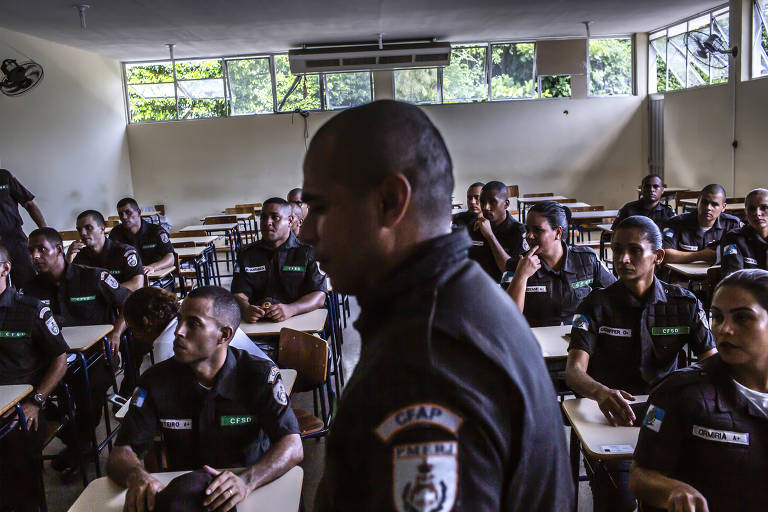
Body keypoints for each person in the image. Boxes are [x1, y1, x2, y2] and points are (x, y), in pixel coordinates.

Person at [302, 100, 573, 511]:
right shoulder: (453, 301)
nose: (304, 231)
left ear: (390, 202)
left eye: (320, 207)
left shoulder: (427, 358)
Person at [566, 215, 716, 512]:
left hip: (667, 415)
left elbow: (713, 364)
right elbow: (574, 372)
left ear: (658, 257)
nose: (622, 259)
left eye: (634, 250)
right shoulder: (595, 305)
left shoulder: (683, 304)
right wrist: (600, 392)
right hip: (610, 418)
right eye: (616, 249)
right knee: (619, 499)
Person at [107, 286, 302, 512]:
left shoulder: (258, 375)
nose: (178, 331)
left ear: (224, 335)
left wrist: (247, 481)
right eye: (180, 320)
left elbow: (293, 444)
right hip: (187, 495)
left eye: (193, 324)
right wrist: (137, 476)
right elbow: (122, 452)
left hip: (249, 488)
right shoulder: (154, 382)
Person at [631, 269, 768, 512]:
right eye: (717, 317)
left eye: (742, 318)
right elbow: (640, 476)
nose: (724, 329)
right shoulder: (678, 391)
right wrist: (671, 489)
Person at [23, 227, 132, 471]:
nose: (35, 256)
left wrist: (116, 332)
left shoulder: (94, 277)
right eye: (31, 251)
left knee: (86, 391)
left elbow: (129, 303)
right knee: (29, 398)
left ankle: (80, 449)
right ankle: (78, 444)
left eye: (42, 249)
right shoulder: (29, 290)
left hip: (95, 356)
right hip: (54, 360)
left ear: (59, 250)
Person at [0, 244, 68, 511]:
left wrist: (37, 401)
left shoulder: (30, 309)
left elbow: (59, 360)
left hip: (22, 403)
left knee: (16, 464)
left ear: (5, 268)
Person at [505, 200, 615, 327]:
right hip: (535, 339)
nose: (529, 236)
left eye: (537, 230)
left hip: (577, 338)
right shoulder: (516, 264)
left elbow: (616, 295)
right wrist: (521, 276)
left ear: (558, 232)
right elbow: (508, 317)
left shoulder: (586, 260)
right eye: (527, 229)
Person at [231, 198, 326, 324]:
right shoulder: (247, 254)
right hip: (258, 324)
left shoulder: (308, 252)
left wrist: (291, 309)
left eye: (275, 217)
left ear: (290, 221)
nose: (267, 222)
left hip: (299, 321)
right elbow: (238, 293)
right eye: (263, 218)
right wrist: (245, 308)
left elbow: (319, 294)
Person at [123, 286, 271, 364]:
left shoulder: (168, 343)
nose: (134, 336)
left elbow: (170, 396)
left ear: (144, 325)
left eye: (132, 328)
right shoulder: (187, 309)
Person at [661, 184, 742, 264]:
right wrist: (700, 255)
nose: (708, 208)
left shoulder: (732, 224)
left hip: (717, 275)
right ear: (698, 202)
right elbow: (664, 254)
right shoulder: (675, 223)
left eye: (714, 204)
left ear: (723, 207)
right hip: (683, 276)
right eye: (704, 202)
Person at [68, 210, 145, 291]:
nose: (82, 233)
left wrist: (103, 294)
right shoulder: (80, 255)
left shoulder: (125, 252)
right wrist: (68, 258)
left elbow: (137, 284)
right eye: (79, 229)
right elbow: (71, 285)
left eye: (88, 228)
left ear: (102, 228)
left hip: (123, 301)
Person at [468, 180, 526, 283]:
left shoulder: (519, 232)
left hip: (504, 292)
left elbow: (511, 272)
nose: (486, 207)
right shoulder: (474, 227)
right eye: (482, 201)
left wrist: (490, 236)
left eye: (492, 202)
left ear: (506, 204)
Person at [0, 168, 47, 289]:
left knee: (27, 279)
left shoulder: (4, 176)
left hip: (14, 238)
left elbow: (29, 204)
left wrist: (45, 231)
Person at [110, 197, 175, 277]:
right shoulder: (116, 233)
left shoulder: (155, 231)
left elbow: (170, 258)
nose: (124, 217)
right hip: (130, 277)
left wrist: (153, 267)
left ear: (139, 212)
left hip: (155, 276)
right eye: (120, 214)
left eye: (128, 212)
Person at [718, 188, 768, 276]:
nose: (757, 213)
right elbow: (733, 277)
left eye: (764, 208)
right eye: (751, 209)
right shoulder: (732, 239)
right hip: (747, 288)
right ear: (745, 212)